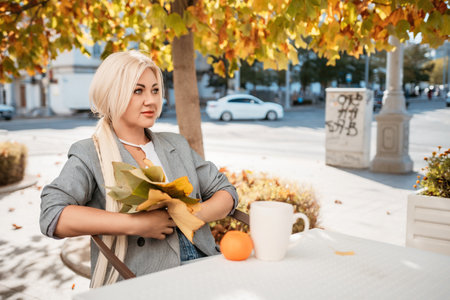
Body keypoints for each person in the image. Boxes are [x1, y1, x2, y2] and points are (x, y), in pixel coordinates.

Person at [39, 51, 238, 288]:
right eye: (138, 90)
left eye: (155, 90)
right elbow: (53, 215)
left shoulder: (176, 144)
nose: (151, 100)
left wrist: (190, 215)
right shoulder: (90, 154)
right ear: (113, 94)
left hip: (205, 273)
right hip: (143, 283)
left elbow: (226, 192)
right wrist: (138, 224)